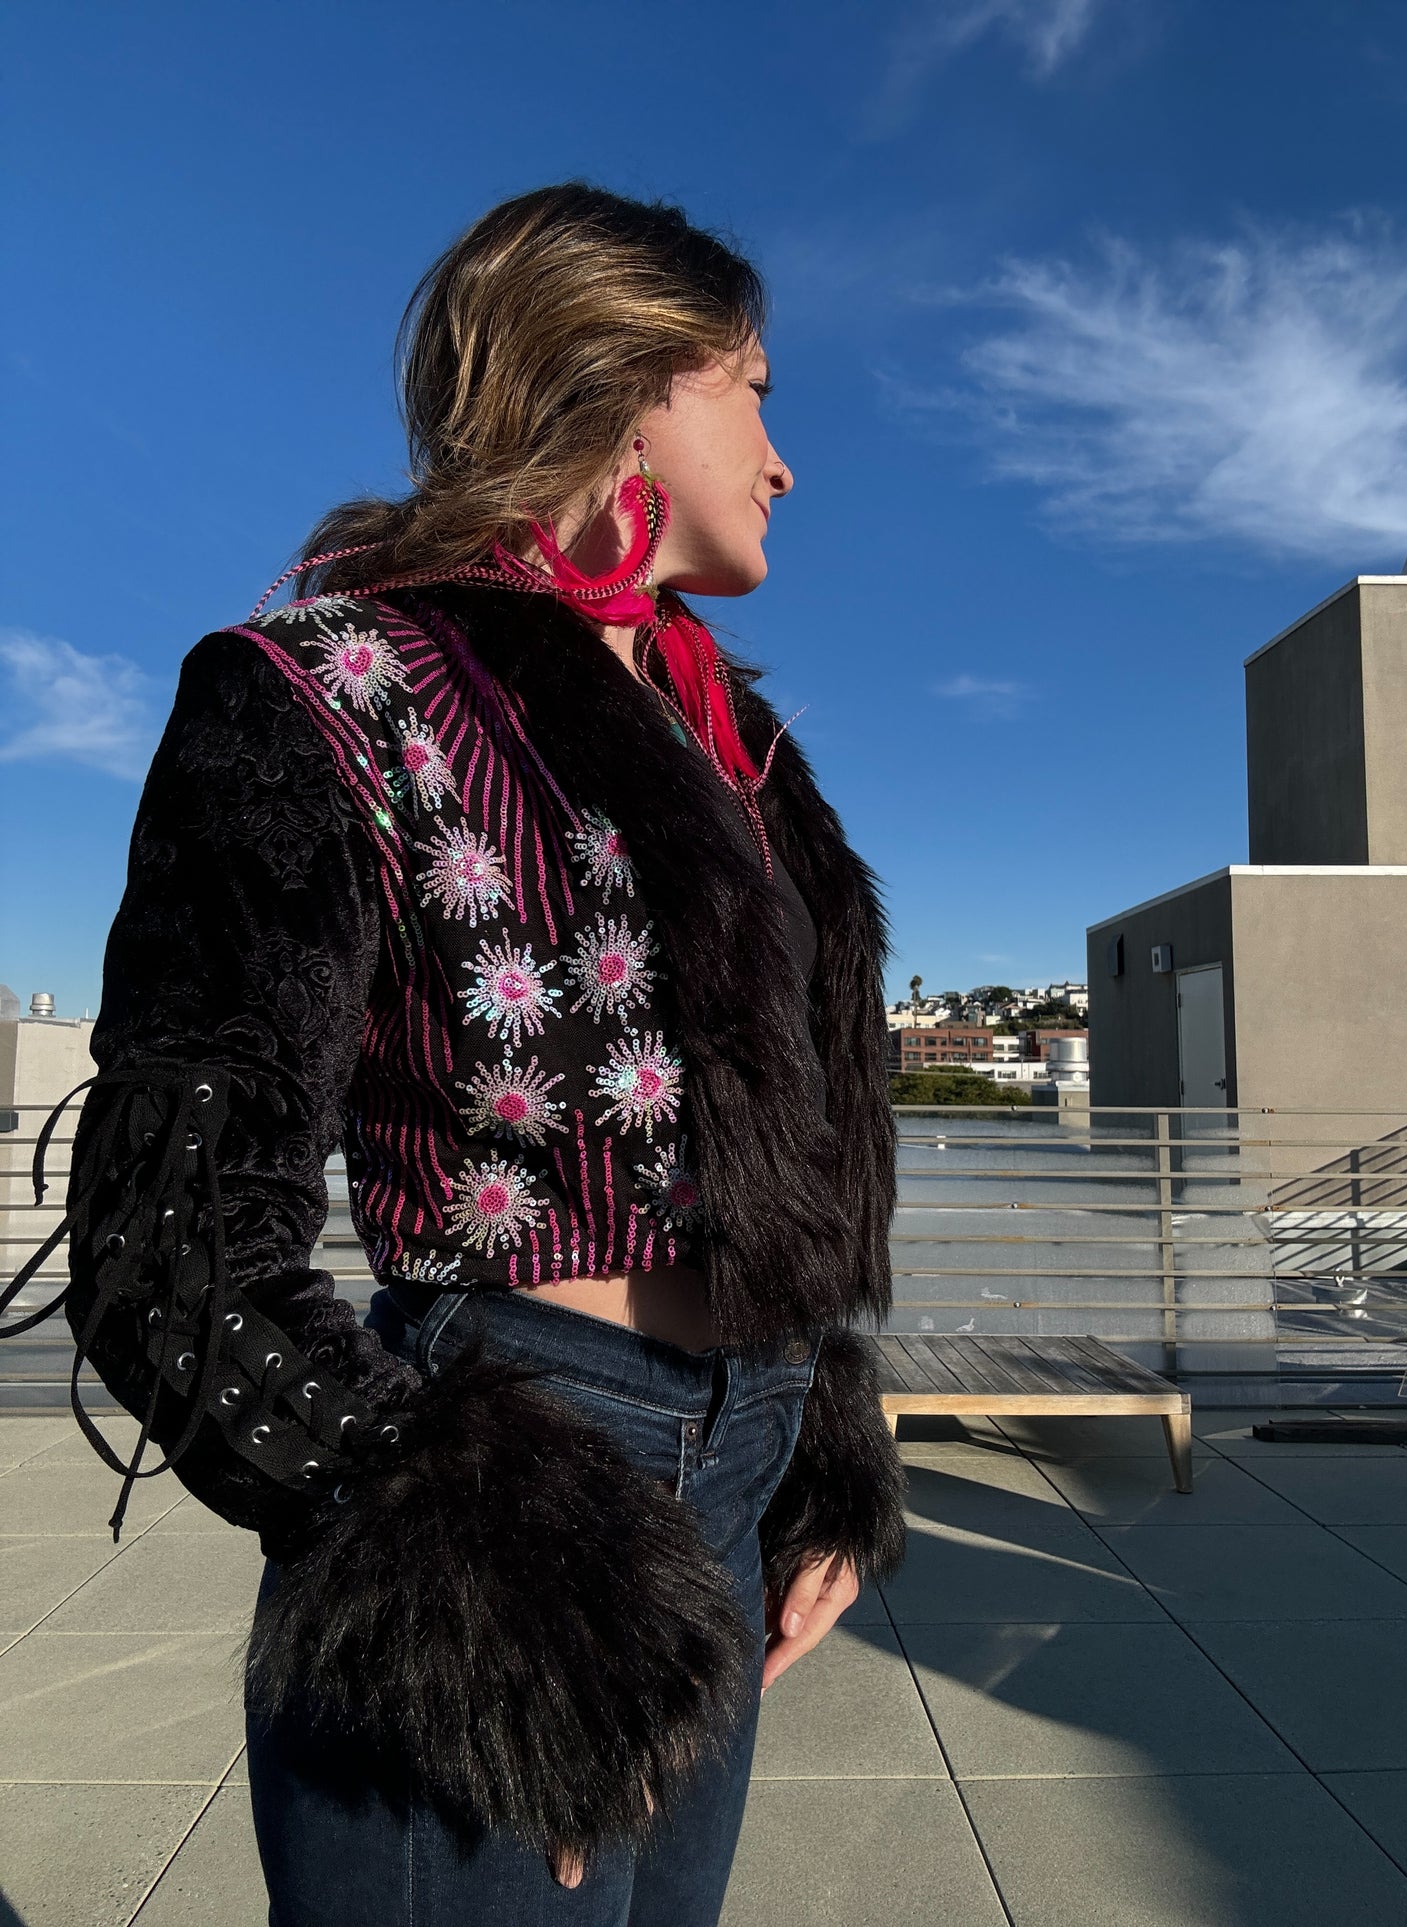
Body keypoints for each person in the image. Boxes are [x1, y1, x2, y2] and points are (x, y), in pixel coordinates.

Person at [6, 183, 905, 1926]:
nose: (784, 458)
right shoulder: (333, 689)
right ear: (619, 377)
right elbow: (175, 1228)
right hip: (498, 1481)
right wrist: (473, 1568)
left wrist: (812, 1429)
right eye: (754, 387)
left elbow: (764, 1136)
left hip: (738, 1460)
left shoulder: (740, 748)